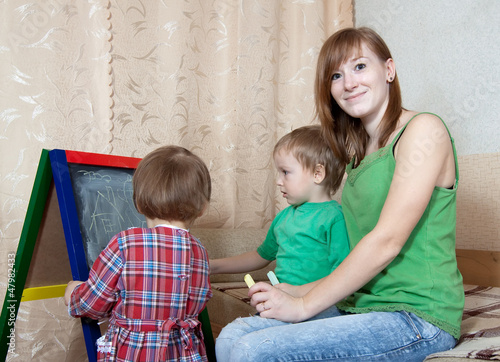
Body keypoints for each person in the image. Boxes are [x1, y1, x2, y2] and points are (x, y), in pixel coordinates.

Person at [215, 27, 464, 362]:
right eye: (336, 75)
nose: (348, 83)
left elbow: (386, 241)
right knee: (231, 337)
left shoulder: (423, 131)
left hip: (416, 317)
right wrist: (297, 289)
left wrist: (303, 304)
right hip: (361, 305)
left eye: (360, 66)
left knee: (253, 350)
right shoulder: (356, 155)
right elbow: (355, 255)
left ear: (388, 70)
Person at [64, 145, 213, 362]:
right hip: (185, 354)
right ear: (202, 208)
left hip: (132, 354)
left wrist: (74, 294)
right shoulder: (200, 252)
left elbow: (93, 304)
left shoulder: (125, 244)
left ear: (139, 203)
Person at [210, 125, 349, 287]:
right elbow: (260, 256)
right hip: (284, 304)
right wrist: (213, 266)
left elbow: (344, 273)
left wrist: (301, 297)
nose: (278, 181)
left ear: (317, 174)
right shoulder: (284, 217)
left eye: (285, 172)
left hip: (322, 307)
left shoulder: (333, 218)